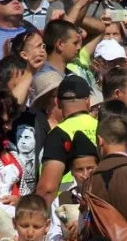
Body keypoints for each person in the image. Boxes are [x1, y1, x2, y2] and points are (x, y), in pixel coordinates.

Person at [37, 76, 98, 206]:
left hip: (66, 208)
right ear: (88, 101)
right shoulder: (103, 128)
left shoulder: (57, 135)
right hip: (100, 206)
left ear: (58, 103)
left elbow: (47, 189)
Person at [46, 130, 97, 241]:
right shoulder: (62, 199)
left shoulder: (106, 195)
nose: (85, 175)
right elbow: (52, 233)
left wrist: (83, 222)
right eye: (79, 170)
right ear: (72, 172)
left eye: (90, 168)